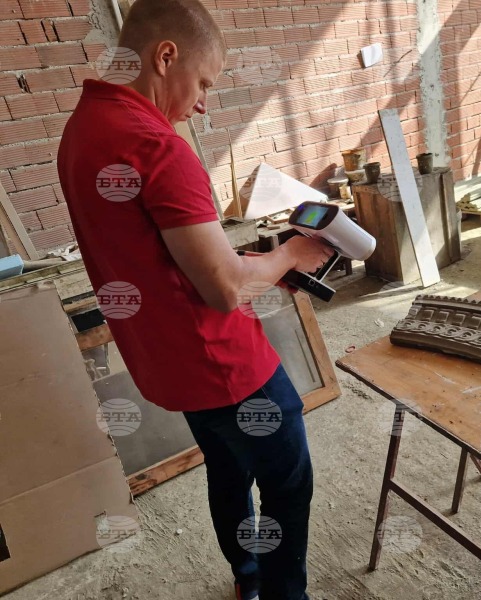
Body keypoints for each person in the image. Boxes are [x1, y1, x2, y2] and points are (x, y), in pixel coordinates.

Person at [56, 1, 331, 598]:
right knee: (287, 485)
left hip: (168, 363)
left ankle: (248, 578)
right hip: (227, 367)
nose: (203, 102)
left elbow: (162, 256)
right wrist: (289, 256)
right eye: (204, 82)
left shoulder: (83, 128)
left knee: (228, 468)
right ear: (165, 56)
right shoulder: (157, 146)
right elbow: (225, 288)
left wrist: (256, 268)